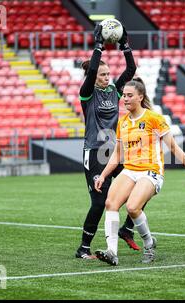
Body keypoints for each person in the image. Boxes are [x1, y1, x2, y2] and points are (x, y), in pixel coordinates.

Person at [93, 78, 185, 266]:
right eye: (124, 96)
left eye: (129, 96)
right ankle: (112, 252)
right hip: (130, 169)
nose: (125, 99)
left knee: (133, 207)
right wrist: (103, 175)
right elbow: (117, 155)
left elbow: (174, 147)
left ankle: (149, 243)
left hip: (151, 171)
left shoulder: (154, 118)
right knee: (110, 203)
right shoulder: (123, 122)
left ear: (140, 97)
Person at [74, 23, 140, 259]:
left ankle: (127, 230)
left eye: (107, 74)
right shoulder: (87, 93)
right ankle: (83, 248)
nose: (106, 77)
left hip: (115, 152)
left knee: (141, 183)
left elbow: (131, 68)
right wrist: (98, 47)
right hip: (94, 152)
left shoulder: (114, 90)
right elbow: (91, 73)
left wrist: (125, 46)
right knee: (99, 202)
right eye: (102, 75)